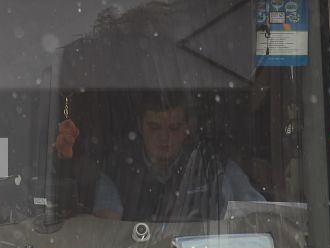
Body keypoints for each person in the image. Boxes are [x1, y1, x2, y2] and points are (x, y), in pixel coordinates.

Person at [93, 96, 263, 224]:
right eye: (154, 127)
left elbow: (259, 218)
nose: (164, 137)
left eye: (173, 128)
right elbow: (108, 234)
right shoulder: (117, 173)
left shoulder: (216, 168)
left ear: (187, 127)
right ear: (140, 125)